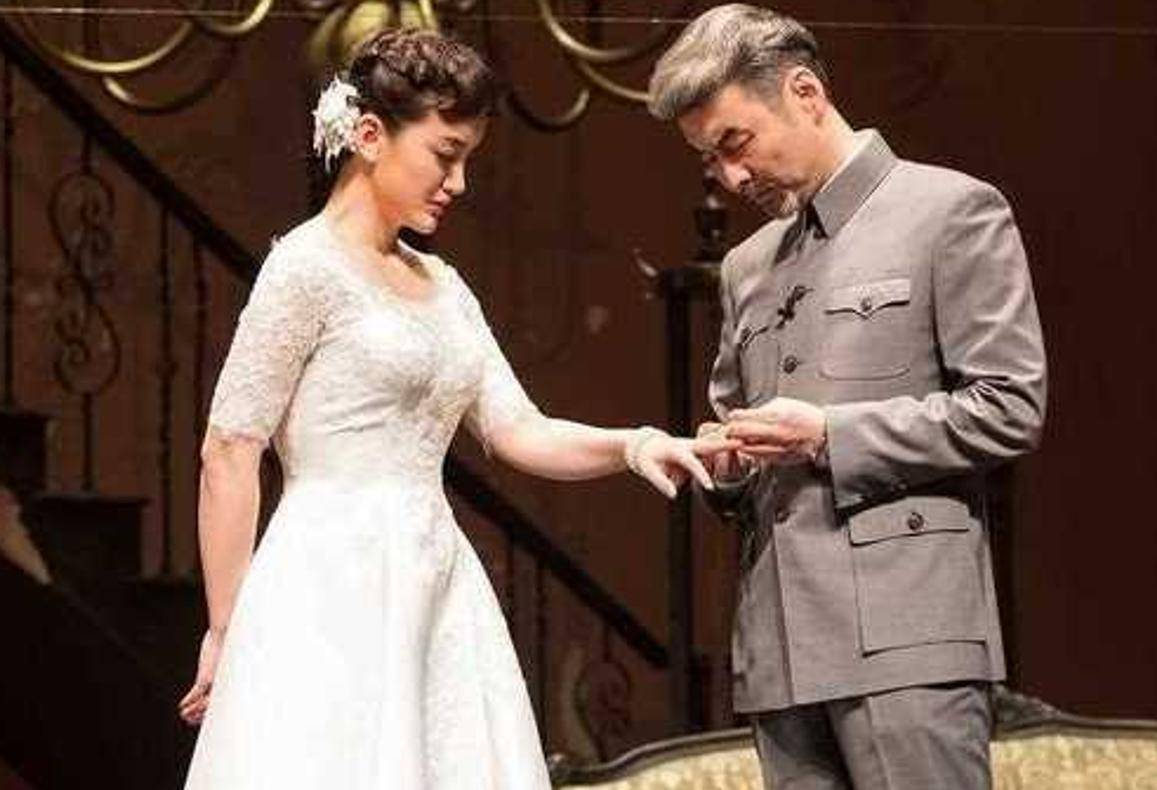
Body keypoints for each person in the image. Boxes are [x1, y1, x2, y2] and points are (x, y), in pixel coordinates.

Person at [178, 28, 733, 789]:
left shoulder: (443, 285)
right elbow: (230, 448)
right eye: (445, 154)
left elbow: (518, 429)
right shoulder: (304, 268)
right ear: (369, 136)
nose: (459, 182)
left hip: (435, 578)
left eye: (467, 158)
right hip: (330, 573)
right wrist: (226, 628)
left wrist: (636, 445)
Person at [648, 5, 1047, 789]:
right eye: (709, 160)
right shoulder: (747, 265)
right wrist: (726, 465)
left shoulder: (949, 210)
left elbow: (1008, 407)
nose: (731, 177)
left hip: (908, 639)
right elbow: (737, 434)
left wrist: (828, 434)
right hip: (778, 650)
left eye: (735, 142)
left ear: (804, 93)